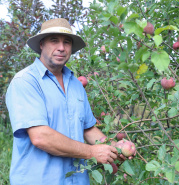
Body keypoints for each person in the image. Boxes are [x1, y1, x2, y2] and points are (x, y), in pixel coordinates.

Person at [6, 18, 120, 185]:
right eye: (54, 40)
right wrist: (92, 152)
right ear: (41, 44)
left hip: (77, 180)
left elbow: (88, 128)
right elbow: (40, 137)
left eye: (67, 42)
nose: (61, 48)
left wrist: (113, 148)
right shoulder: (26, 82)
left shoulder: (76, 85)